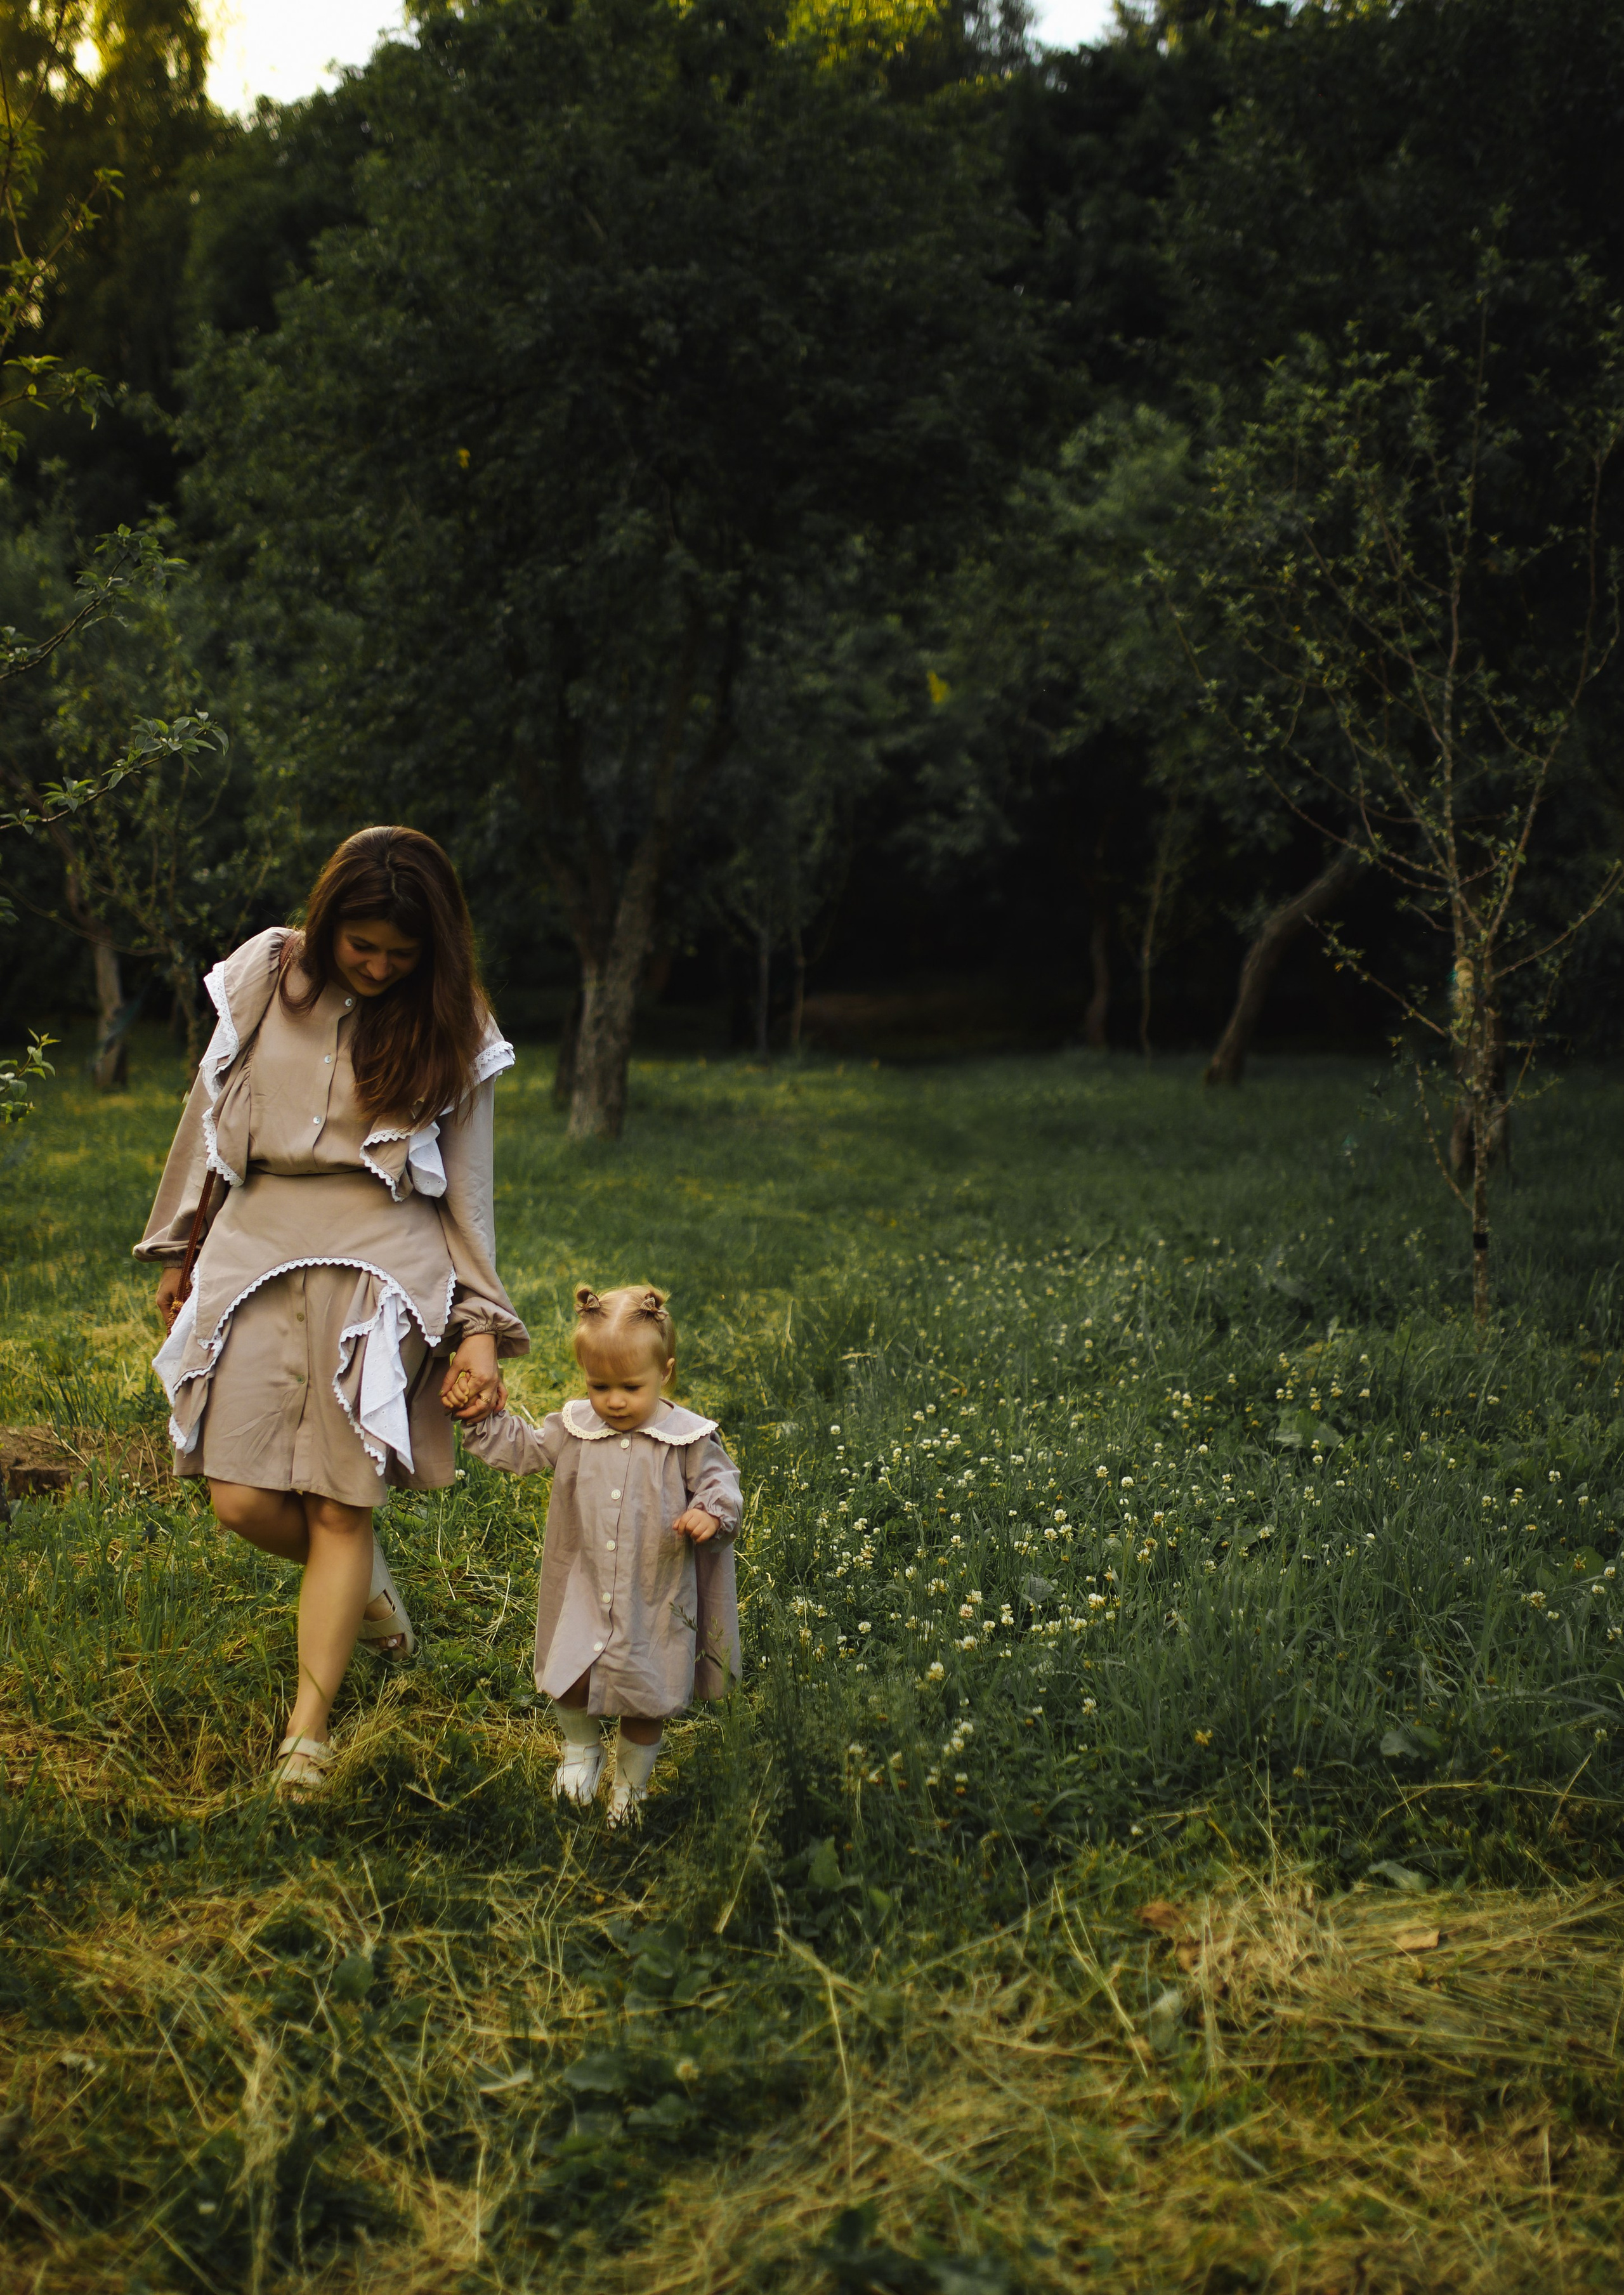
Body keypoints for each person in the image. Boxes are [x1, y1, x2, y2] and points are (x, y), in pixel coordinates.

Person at [136, 825, 528, 1797]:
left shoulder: (453, 1021)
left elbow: (467, 1193)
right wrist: (188, 1242)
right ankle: (367, 1594)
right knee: (240, 1494)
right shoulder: (267, 974)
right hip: (255, 1244)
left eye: (403, 953)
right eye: (364, 945)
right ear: (327, 920)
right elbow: (211, 1110)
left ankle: (305, 1736)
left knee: (338, 1499)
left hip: (382, 1261)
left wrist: (476, 1323)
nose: (382, 966)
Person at [462, 1285, 741, 1823]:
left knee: (646, 1693)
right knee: (572, 1674)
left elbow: (720, 1484)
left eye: (630, 1387)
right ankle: (580, 1749)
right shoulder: (575, 1428)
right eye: (599, 1385)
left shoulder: (688, 1439)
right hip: (585, 1582)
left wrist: (711, 1511)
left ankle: (630, 1788)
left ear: (667, 1373)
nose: (614, 1400)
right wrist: (480, 1421)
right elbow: (521, 1447)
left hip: (652, 1596)